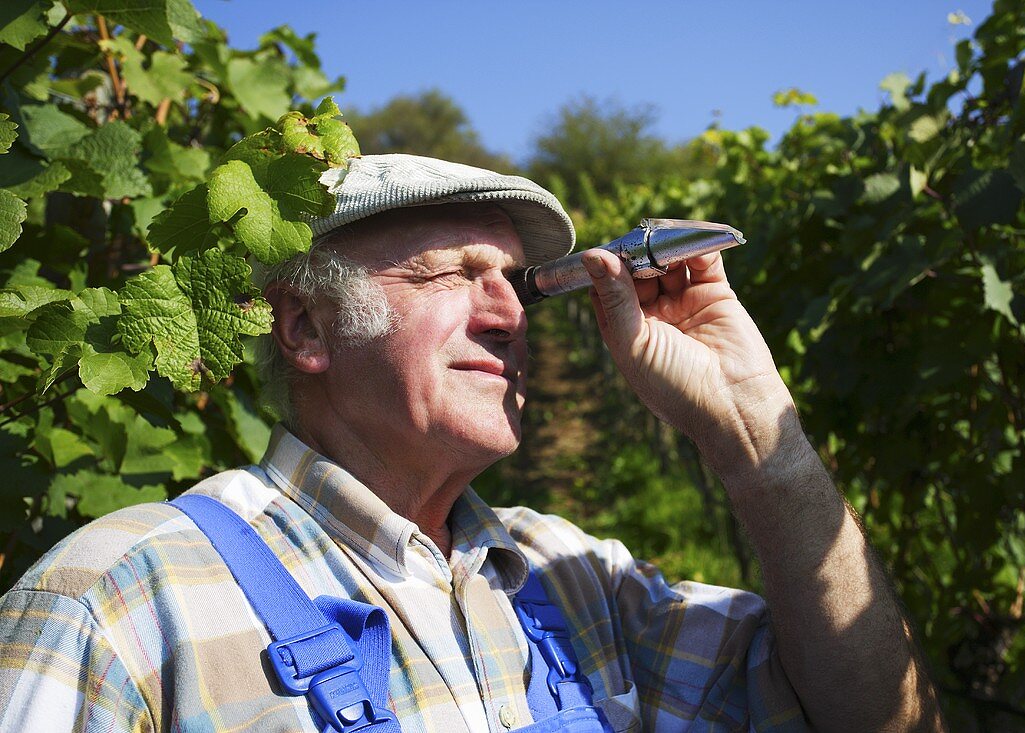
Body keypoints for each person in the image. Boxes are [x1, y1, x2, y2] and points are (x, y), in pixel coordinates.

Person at [0, 155, 944, 732]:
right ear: (307, 329)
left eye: (521, 286)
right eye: (452, 275)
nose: (509, 315)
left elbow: (880, 717)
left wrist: (754, 437)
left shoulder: (578, 582)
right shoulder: (118, 602)